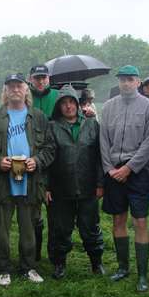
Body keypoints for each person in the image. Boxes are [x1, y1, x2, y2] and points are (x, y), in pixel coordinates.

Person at [0, 73, 55, 286]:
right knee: (1, 229)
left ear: (26, 89)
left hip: (30, 182)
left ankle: (28, 267)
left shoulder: (38, 116)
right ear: (5, 90)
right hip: (2, 182)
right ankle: (3, 268)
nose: (15, 89)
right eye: (11, 86)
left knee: (29, 228)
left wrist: (37, 161)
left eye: (19, 85)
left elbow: (50, 148)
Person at [100, 65, 149, 292]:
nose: (126, 83)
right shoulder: (108, 107)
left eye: (130, 79)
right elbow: (103, 140)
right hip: (113, 170)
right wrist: (109, 169)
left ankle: (143, 274)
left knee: (140, 221)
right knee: (118, 221)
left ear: (138, 82)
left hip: (138, 172)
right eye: (122, 79)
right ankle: (123, 267)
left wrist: (130, 168)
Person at [47, 85, 105, 279]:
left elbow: (99, 157)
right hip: (60, 188)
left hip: (88, 187)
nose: (68, 106)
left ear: (77, 104)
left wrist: (100, 184)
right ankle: (59, 264)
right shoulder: (52, 127)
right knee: (60, 229)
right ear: (59, 107)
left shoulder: (91, 124)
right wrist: (46, 186)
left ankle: (96, 262)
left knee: (90, 227)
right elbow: (47, 158)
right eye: (64, 103)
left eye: (71, 102)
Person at [27, 64, 59, 262]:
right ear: (31, 79)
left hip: (56, 158)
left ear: (49, 78)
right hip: (32, 158)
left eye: (44, 77)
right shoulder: (25, 96)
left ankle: (55, 255)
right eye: (37, 78)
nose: (40, 81)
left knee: (55, 211)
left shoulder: (57, 96)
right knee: (34, 211)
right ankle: (35, 253)